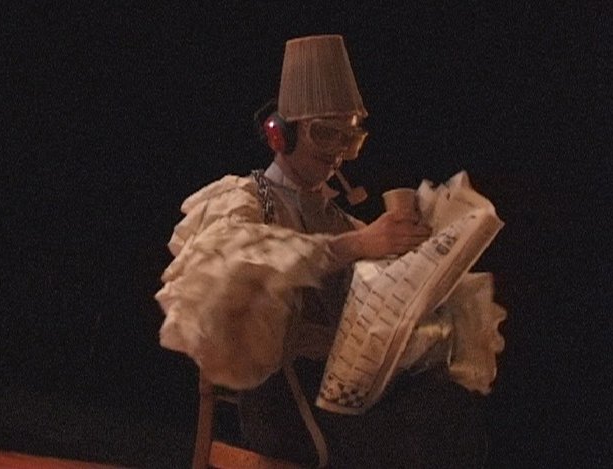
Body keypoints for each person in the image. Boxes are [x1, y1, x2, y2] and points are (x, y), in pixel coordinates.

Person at [155, 35, 488, 468]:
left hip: (350, 392)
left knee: (448, 407)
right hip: (284, 394)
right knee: (406, 439)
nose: (337, 154)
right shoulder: (243, 199)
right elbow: (229, 259)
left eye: (349, 139)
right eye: (325, 134)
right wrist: (358, 245)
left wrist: (418, 266)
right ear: (281, 133)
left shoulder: (339, 220)